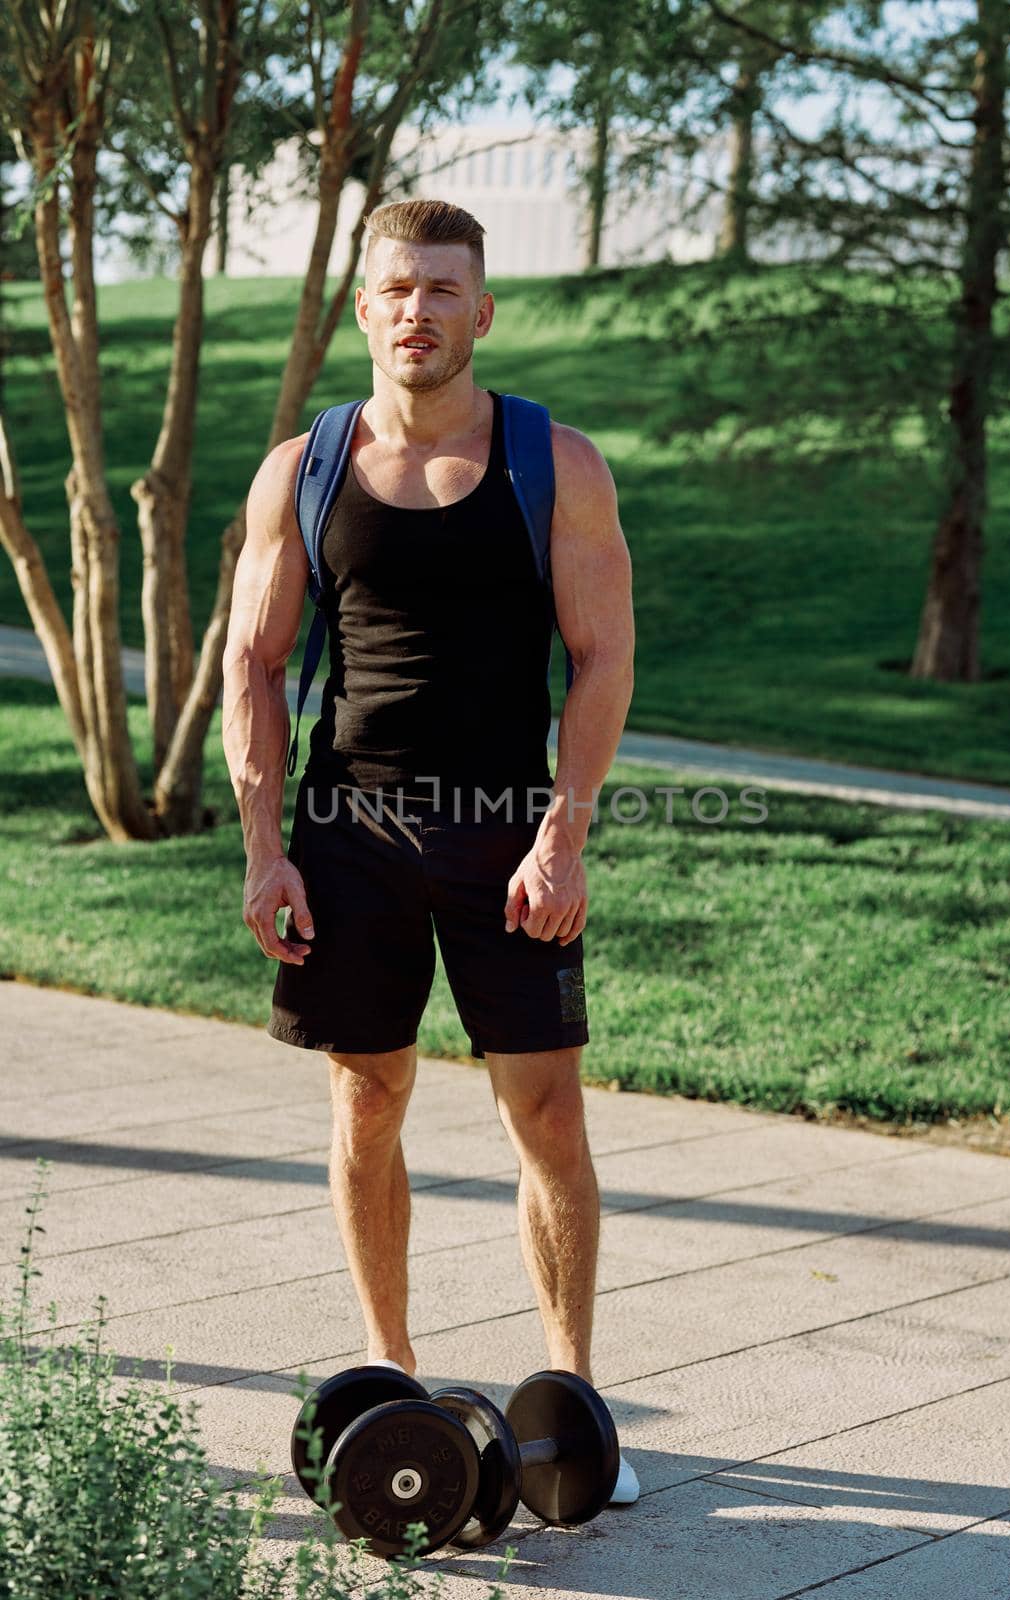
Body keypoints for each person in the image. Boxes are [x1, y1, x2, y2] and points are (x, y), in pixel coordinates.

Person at [221, 199, 638, 1504]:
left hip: (509, 833)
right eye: (397, 289)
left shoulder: (552, 460)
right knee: (366, 1099)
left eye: (443, 290)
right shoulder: (306, 466)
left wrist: (564, 832)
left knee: (549, 1113)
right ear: (365, 309)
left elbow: (605, 652)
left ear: (482, 310)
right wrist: (263, 850)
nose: (419, 312)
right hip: (347, 833)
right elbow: (253, 657)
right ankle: (386, 1373)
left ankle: (571, 1402)